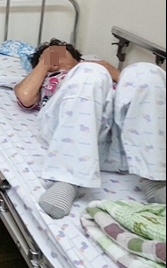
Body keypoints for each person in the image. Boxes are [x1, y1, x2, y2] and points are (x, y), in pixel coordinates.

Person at [14, 38, 166, 219]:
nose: (56, 55)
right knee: (90, 73)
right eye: (51, 53)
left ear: (77, 58)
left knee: (146, 72)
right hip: (72, 133)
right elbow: (25, 96)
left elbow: (137, 98)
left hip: (122, 145)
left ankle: (154, 178)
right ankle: (68, 180)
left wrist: (116, 74)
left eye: (60, 52)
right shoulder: (50, 78)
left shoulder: (100, 73)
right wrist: (43, 65)